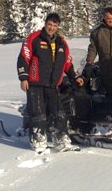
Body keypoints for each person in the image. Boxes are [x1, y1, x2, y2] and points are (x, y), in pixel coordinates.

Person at [17, 12, 84, 153]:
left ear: (58, 26)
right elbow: (24, 57)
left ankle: (62, 139)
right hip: (35, 84)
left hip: (53, 85)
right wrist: (23, 77)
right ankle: (38, 141)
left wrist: (74, 77)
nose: (52, 28)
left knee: (59, 113)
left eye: (55, 25)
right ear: (45, 23)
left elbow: (67, 63)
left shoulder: (61, 43)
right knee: (38, 113)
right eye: (49, 24)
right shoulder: (34, 38)